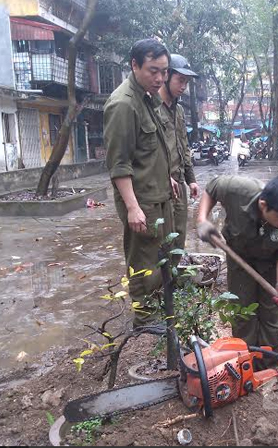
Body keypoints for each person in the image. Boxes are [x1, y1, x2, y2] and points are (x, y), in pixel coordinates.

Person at [196, 175, 278, 359]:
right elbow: (212, 188)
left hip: (273, 263)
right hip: (239, 256)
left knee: (272, 318)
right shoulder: (237, 189)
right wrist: (202, 220)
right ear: (263, 205)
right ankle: (244, 362)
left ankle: (268, 364)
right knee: (242, 313)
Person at [104, 38, 173, 328]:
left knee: (162, 256)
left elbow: (150, 149)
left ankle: (160, 309)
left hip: (158, 193)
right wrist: (132, 208)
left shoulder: (149, 96)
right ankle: (145, 319)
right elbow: (119, 163)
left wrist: (166, 175)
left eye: (164, 71)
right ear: (134, 65)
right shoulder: (123, 105)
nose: (160, 78)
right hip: (141, 200)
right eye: (153, 70)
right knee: (142, 260)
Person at [158, 54, 200, 263]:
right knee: (164, 236)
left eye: (186, 82)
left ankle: (174, 281)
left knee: (180, 234)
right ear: (167, 76)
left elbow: (184, 147)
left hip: (179, 182)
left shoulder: (180, 111)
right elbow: (149, 152)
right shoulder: (153, 109)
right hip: (161, 184)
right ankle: (162, 285)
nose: (183, 86)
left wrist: (191, 178)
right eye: (180, 80)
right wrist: (163, 176)